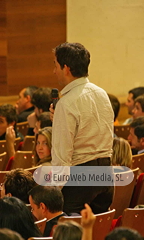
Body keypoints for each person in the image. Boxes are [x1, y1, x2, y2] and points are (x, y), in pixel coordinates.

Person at [51, 42, 114, 214]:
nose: (54, 71)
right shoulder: (102, 93)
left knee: (68, 231)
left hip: (80, 178)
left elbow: (62, 157)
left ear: (66, 68)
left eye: (55, 65)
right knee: (97, 229)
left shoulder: (66, 103)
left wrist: (54, 191)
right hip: (106, 173)